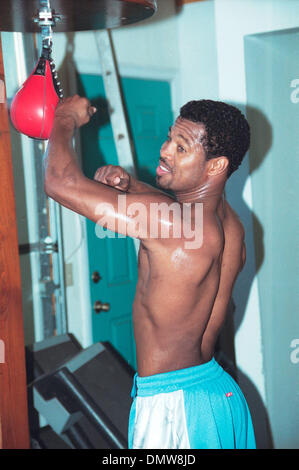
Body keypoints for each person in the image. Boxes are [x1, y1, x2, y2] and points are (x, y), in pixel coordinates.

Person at [44, 95, 256, 449]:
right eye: (169, 138)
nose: (164, 150)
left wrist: (63, 118)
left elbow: (60, 183)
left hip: (174, 408)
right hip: (217, 396)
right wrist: (132, 186)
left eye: (181, 147)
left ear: (216, 166)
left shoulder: (172, 221)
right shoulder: (231, 224)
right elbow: (171, 213)